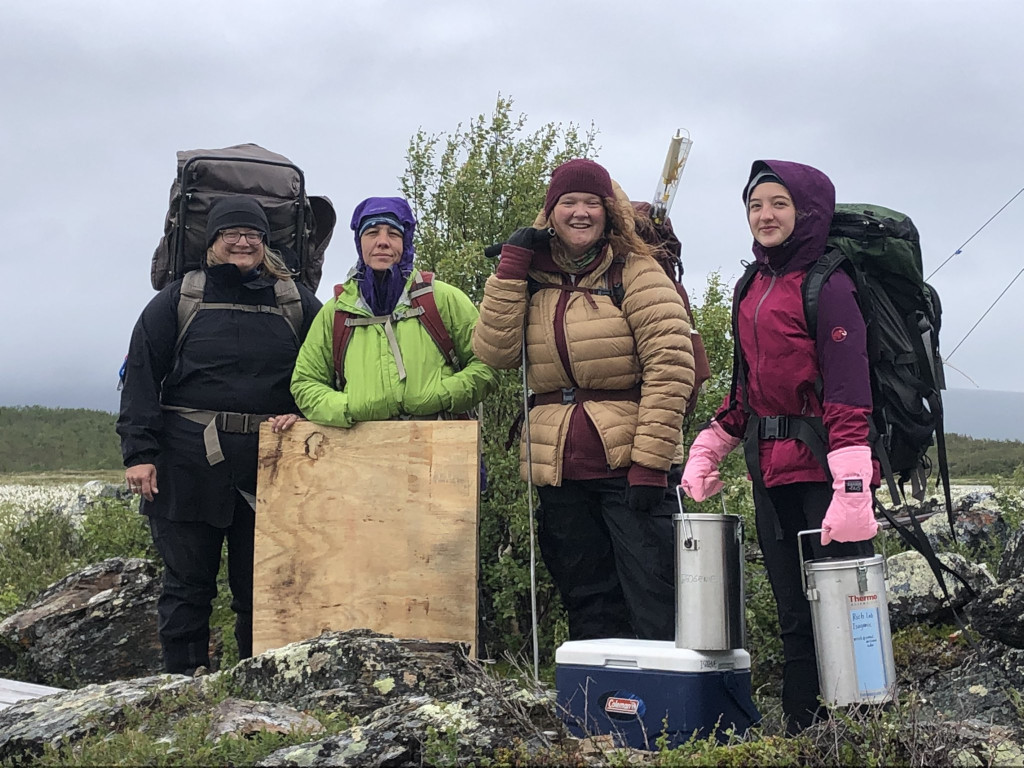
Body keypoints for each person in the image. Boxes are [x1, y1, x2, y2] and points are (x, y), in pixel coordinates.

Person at [680, 160, 878, 733]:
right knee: (794, 612)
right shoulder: (752, 286)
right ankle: (803, 730)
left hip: (824, 471)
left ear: (807, 211)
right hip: (769, 471)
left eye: (778, 204)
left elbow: (847, 392)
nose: (764, 216)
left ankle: (861, 726)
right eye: (755, 205)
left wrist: (852, 487)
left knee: (845, 607)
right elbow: (744, 391)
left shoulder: (830, 283)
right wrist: (710, 446)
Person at [472, 159, 695, 641]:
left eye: (591, 203)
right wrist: (511, 267)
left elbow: (671, 365)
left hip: (629, 465)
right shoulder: (532, 277)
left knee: (655, 598)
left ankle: (666, 712)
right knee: (586, 598)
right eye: (567, 202)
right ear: (549, 212)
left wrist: (651, 464)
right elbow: (495, 351)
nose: (579, 213)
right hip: (560, 468)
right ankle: (599, 709)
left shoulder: (636, 272)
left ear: (608, 212)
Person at [117, 195, 322, 675]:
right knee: (187, 586)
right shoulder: (178, 299)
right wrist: (139, 454)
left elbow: (327, 374)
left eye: (252, 234)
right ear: (211, 242)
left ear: (266, 243)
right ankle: (181, 688)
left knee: (264, 591)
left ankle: (261, 688)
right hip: (184, 463)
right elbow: (143, 378)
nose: (243, 241)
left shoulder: (295, 301)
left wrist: (303, 416)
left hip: (272, 468)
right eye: (231, 233)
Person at [290, 196, 497, 428]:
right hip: (362, 453)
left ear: (405, 242)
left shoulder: (441, 299)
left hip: (438, 448)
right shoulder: (337, 312)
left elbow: (487, 363)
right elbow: (305, 382)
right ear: (360, 243)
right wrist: (350, 407)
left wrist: (441, 394)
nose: (382, 242)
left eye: (393, 234)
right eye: (372, 233)